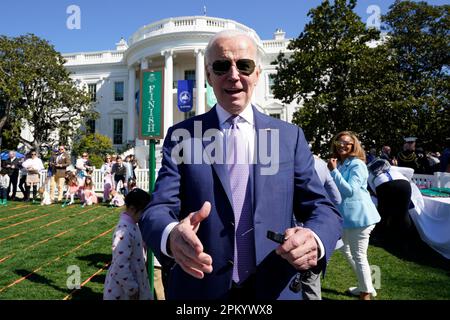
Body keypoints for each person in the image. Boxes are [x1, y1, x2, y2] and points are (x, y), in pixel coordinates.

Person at [139, 30, 342, 300]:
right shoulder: (182, 136)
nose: (233, 75)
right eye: (221, 66)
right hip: (201, 287)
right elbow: (157, 209)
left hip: (275, 287)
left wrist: (314, 239)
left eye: (243, 65)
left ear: (257, 73)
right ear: (209, 76)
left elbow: (322, 208)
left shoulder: (289, 136)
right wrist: (171, 234)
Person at [327, 131, 381, 300]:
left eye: (347, 143)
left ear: (353, 145)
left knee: (358, 255)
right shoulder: (341, 163)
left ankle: (366, 294)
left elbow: (349, 191)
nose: (342, 145)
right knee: (345, 250)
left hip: (360, 217)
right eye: (339, 142)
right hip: (345, 218)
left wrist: (334, 171)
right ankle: (366, 285)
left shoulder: (357, 164)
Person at [300, 155, 342, 300]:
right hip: (319, 230)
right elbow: (336, 198)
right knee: (311, 279)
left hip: (297, 229)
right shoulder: (322, 165)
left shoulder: (291, 162)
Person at [103, 188, 153, 300]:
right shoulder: (123, 232)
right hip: (123, 289)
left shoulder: (133, 225)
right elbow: (120, 263)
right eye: (142, 212)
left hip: (136, 279)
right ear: (132, 209)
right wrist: (132, 288)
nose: (144, 216)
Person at [367, 159, 412, 247]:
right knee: (403, 213)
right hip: (404, 184)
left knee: (383, 213)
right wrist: (408, 180)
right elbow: (411, 171)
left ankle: (380, 237)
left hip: (384, 185)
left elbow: (374, 190)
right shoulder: (393, 168)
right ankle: (406, 238)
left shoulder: (370, 175)